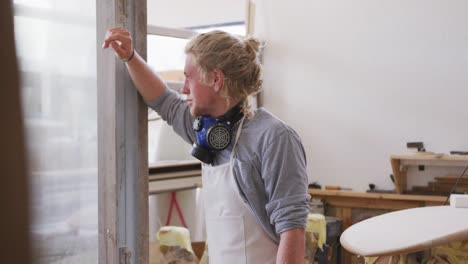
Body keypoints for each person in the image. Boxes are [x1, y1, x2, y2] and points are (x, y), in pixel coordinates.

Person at [102, 27, 310, 263]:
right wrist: (130, 57)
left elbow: (292, 230)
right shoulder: (205, 131)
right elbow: (163, 102)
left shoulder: (274, 137)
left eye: (188, 77)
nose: (183, 89)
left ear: (215, 79)